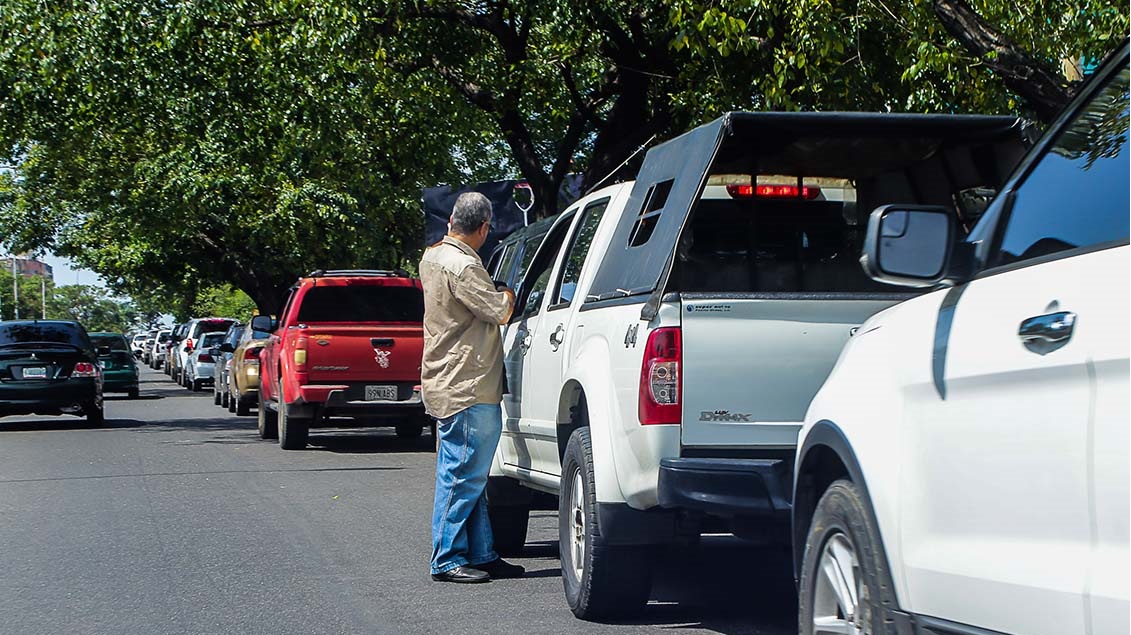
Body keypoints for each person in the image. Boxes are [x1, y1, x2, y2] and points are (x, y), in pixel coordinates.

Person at [419, 191, 525, 584]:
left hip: (446, 380)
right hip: (468, 385)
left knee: (471, 476)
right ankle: (446, 558)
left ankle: (481, 552)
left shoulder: (432, 258)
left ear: (451, 222)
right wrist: (508, 291)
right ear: (483, 228)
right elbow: (499, 310)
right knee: (461, 475)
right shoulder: (464, 267)